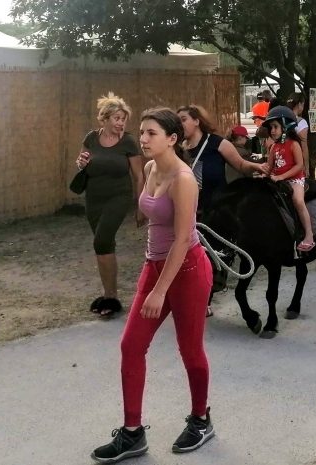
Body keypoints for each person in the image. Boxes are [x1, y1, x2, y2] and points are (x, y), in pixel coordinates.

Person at [91, 108, 215, 463]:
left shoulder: (183, 178)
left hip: (188, 270)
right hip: (154, 266)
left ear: (172, 139)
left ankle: (201, 419)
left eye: (151, 133)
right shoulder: (148, 169)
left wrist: (160, 291)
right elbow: (152, 216)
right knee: (131, 345)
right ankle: (132, 433)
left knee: (190, 351)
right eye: (142, 133)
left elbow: (181, 239)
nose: (142, 139)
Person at [76, 92, 144, 318]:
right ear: (104, 119)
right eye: (117, 118)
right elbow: (83, 161)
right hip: (94, 198)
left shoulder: (129, 141)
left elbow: (139, 175)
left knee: (101, 240)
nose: (121, 123)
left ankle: (111, 298)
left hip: (118, 197)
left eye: (123, 119)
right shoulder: (91, 138)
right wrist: (81, 163)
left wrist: (140, 205)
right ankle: (109, 294)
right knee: (104, 246)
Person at [177, 104, 269, 215]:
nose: (180, 125)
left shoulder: (217, 143)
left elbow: (241, 164)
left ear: (196, 121)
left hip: (216, 211)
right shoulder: (180, 148)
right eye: (178, 122)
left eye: (183, 120)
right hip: (189, 211)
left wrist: (257, 166)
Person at [263, 106, 315, 252]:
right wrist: (263, 173)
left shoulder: (294, 144)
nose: (272, 130)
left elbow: (300, 166)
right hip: (278, 180)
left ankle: (309, 235)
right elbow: (269, 166)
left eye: (275, 127)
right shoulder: (273, 147)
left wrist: (281, 176)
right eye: (271, 127)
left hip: (295, 180)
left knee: (298, 200)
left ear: (286, 126)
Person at [286, 92, 310, 177]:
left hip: (282, 159)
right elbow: (304, 146)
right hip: (296, 161)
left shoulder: (281, 119)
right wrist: (306, 168)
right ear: (299, 104)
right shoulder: (301, 122)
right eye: (303, 104)